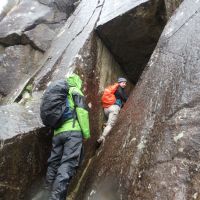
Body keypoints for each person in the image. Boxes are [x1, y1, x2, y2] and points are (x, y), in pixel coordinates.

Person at [45, 74, 90, 200]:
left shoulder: (61, 92)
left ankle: (46, 194)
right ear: (77, 81)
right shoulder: (75, 90)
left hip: (57, 133)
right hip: (72, 132)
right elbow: (82, 112)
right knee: (67, 164)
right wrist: (86, 134)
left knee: (53, 164)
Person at [97, 77, 128, 144]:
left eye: (125, 83)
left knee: (110, 121)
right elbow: (124, 97)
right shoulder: (119, 89)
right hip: (114, 108)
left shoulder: (113, 88)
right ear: (119, 83)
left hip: (106, 109)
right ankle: (102, 137)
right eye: (123, 83)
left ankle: (105, 125)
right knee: (111, 124)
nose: (125, 84)